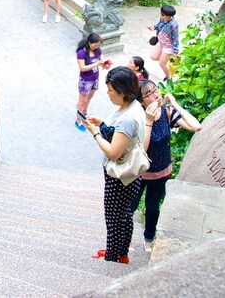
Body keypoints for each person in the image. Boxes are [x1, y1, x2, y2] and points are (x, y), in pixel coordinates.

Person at [80, 67, 146, 264]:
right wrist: (102, 123)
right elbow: (120, 134)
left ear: (122, 91)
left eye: (110, 90)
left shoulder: (127, 119)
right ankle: (122, 253)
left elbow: (113, 152)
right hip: (131, 175)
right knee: (125, 215)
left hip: (118, 177)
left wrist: (95, 132)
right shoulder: (133, 106)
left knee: (114, 219)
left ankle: (112, 259)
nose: (107, 93)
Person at [133, 79, 201, 252]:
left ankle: (149, 239)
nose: (156, 95)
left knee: (153, 208)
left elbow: (196, 126)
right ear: (141, 102)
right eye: (149, 94)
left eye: (156, 90)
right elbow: (143, 148)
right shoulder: (140, 118)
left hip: (161, 171)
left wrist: (175, 104)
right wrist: (148, 120)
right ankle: (125, 237)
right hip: (140, 172)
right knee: (130, 206)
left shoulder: (167, 113)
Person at [75, 32, 109, 130]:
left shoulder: (98, 50)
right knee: (82, 100)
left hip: (94, 78)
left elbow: (102, 61)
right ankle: (78, 120)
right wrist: (96, 64)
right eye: (95, 44)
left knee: (89, 97)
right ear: (89, 42)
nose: (96, 46)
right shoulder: (81, 53)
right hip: (85, 80)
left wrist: (105, 65)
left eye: (98, 45)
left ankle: (85, 112)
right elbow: (82, 68)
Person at [148, 5, 180, 81]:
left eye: (163, 15)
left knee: (162, 64)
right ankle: (166, 58)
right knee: (154, 56)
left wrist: (175, 51)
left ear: (169, 16)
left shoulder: (173, 25)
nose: (161, 16)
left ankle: (169, 78)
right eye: (161, 13)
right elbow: (159, 26)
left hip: (168, 46)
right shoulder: (162, 19)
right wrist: (153, 27)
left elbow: (175, 39)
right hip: (161, 42)